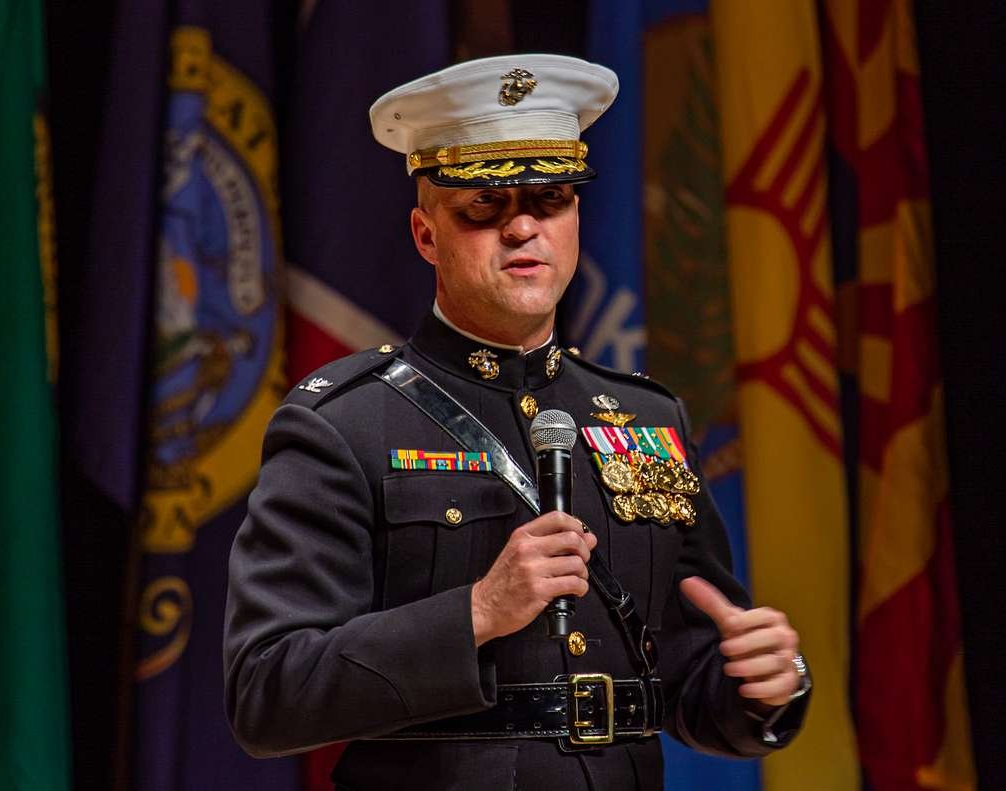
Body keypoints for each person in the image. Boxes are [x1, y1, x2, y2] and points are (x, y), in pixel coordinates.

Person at [224, 54, 811, 790]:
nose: (524, 226)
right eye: (485, 206)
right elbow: (264, 692)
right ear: (426, 234)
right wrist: (474, 613)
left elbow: (691, 675)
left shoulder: (646, 416)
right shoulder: (345, 424)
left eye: (551, 197)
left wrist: (762, 682)